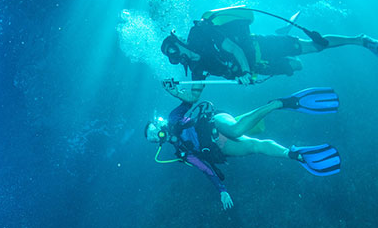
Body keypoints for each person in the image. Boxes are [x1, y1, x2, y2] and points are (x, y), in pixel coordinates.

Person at [145, 83, 342, 210]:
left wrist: (177, 90)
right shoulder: (181, 152)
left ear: (158, 124)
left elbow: (191, 99)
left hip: (214, 122)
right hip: (218, 146)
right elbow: (205, 168)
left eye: (153, 131)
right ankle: (292, 154)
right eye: (152, 138)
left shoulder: (173, 118)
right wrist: (222, 190)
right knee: (255, 147)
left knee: (237, 129)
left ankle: (279, 104)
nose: (156, 136)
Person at [161, 7, 378, 89]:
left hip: (260, 47)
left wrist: (245, 72)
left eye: (173, 52)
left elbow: (235, 49)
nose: (177, 58)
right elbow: (194, 95)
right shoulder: (194, 67)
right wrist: (175, 91)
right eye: (173, 58)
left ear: (177, 43)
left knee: (315, 47)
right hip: (260, 67)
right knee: (297, 65)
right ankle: (284, 33)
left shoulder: (201, 35)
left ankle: (360, 40)